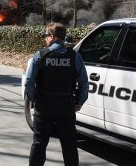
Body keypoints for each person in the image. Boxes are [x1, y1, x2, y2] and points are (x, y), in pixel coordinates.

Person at [25, 22, 88, 166]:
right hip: (66, 105)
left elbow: (29, 81)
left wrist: (34, 98)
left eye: (46, 36)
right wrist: (79, 101)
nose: (45, 39)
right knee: (69, 144)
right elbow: (84, 83)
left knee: (39, 143)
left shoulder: (40, 55)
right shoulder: (74, 56)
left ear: (52, 37)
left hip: (44, 104)